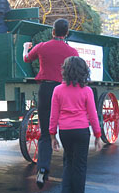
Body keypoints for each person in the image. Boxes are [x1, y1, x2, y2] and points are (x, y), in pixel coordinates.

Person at [23, 18, 79, 189]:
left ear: (53, 31)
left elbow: (27, 59)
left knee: (46, 133)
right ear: (66, 33)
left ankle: (42, 169)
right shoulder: (72, 52)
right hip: (64, 90)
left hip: (46, 91)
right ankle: (68, 170)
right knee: (67, 129)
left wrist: (26, 48)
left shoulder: (42, 46)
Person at [49, 56, 102, 193]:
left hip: (65, 131)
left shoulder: (58, 90)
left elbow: (54, 116)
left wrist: (52, 135)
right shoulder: (87, 91)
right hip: (82, 131)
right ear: (83, 71)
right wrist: (97, 135)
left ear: (65, 71)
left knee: (68, 162)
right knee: (80, 166)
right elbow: (93, 115)